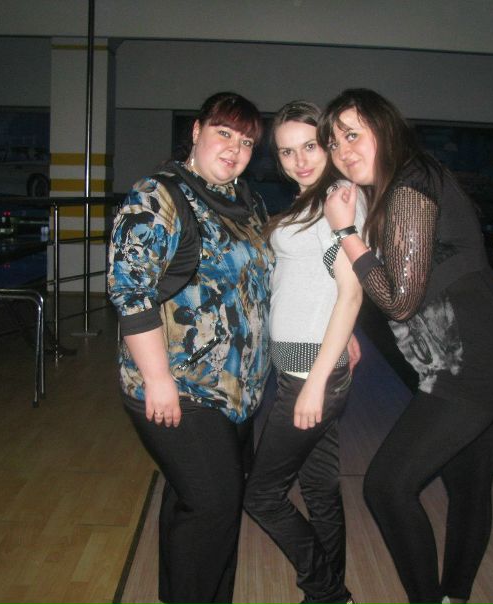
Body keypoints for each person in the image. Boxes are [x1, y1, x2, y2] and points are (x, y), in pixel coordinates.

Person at [321, 89, 493, 604]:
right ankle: (455, 596)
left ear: (385, 127)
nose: (343, 150)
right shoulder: (403, 184)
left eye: (353, 134)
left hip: (473, 361)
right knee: (468, 486)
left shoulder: (411, 184)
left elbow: (399, 300)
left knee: (386, 487)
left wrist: (346, 232)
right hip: (480, 352)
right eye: (334, 143)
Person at [107, 92, 273, 604]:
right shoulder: (157, 195)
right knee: (215, 505)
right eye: (224, 133)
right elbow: (129, 291)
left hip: (236, 391)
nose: (235, 149)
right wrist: (158, 380)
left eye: (247, 142)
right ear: (197, 131)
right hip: (180, 386)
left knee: (198, 502)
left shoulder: (248, 201)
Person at [243, 100, 366, 604]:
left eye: (310, 146)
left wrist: (315, 382)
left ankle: (328, 592)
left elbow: (352, 290)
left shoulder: (338, 198)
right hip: (304, 366)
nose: (299, 160)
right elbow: (322, 284)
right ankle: (328, 596)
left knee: (261, 496)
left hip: (309, 375)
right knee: (319, 490)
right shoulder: (308, 201)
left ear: (328, 145)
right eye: (287, 151)